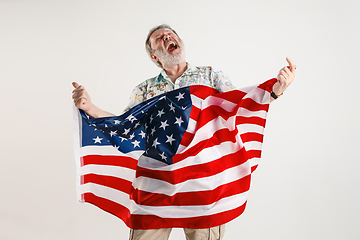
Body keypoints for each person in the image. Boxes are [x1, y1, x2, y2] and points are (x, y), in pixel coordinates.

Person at [72, 24, 296, 240]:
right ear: (154, 56)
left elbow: (239, 106)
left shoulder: (211, 76)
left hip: (204, 182)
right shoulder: (145, 89)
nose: (168, 37)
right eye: (159, 38)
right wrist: (89, 108)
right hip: (157, 182)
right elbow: (125, 127)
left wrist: (275, 91)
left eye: (171, 34)